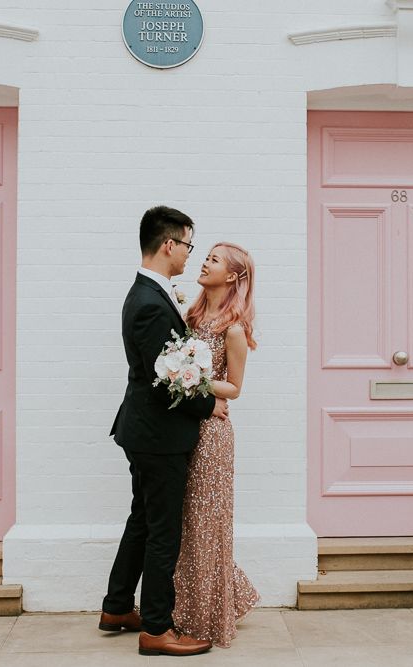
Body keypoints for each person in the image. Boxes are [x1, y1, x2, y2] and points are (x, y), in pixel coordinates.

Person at [99, 206, 228, 657]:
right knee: (162, 530)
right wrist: (210, 404)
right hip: (158, 435)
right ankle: (157, 628)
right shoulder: (151, 304)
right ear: (169, 244)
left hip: (144, 432)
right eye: (189, 246)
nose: (191, 256)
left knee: (142, 518)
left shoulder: (150, 294)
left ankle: (117, 607)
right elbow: (163, 381)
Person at [172, 242, 260, 648]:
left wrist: (192, 379)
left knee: (209, 525)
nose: (203, 262)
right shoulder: (189, 314)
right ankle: (193, 606)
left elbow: (235, 388)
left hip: (213, 436)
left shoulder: (234, 328)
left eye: (213, 259)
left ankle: (208, 616)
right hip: (185, 427)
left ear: (232, 277)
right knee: (188, 524)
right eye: (204, 255)